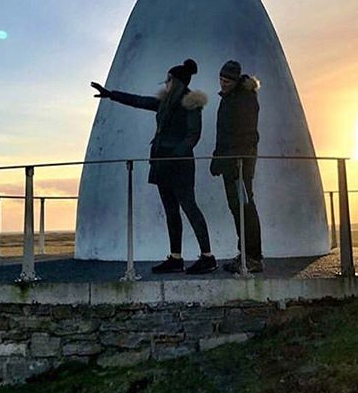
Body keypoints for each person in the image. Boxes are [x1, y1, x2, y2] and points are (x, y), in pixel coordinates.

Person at [91, 59, 217, 275]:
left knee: (190, 207)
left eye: (168, 79)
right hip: (161, 163)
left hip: (179, 165)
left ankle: (208, 257)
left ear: (177, 82)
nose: (165, 83)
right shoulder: (165, 103)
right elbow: (139, 101)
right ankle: (176, 258)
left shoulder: (191, 104)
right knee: (170, 210)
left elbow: (193, 135)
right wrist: (111, 94)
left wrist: (176, 155)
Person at [210, 60, 264, 273]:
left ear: (235, 81)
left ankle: (253, 257)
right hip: (231, 162)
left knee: (245, 207)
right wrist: (218, 158)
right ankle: (245, 254)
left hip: (240, 163)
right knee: (237, 208)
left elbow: (246, 134)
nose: (222, 84)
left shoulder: (244, 99)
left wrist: (236, 159)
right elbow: (223, 133)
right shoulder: (230, 97)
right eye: (221, 80)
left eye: (226, 81)